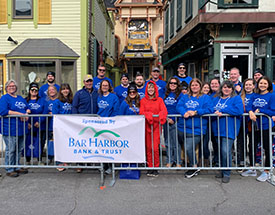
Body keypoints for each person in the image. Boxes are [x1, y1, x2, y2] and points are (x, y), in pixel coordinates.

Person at [176, 78, 213, 178]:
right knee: (185, 147)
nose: (194, 87)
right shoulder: (185, 97)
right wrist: (184, 112)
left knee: (188, 147)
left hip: (197, 128)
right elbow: (179, 106)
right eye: (192, 85)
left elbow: (209, 109)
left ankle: (194, 166)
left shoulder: (205, 97)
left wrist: (196, 112)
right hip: (182, 127)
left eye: (196, 85)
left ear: (200, 86)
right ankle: (185, 162)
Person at [212, 80, 244, 183]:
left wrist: (224, 111)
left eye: (229, 87)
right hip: (217, 129)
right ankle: (221, 169)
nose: (226, 89)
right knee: (221, 151)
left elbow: (239, 111)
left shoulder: (236, 98)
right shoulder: (216, 99)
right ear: (221, 88)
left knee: (226, 151)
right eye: (224, 87)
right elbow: (210, 109)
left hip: (229, 129)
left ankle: (227, 172)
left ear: (232, 89)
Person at [247, 76, 275, 182]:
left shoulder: (272, 96)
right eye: (260, 83)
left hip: (266, 125)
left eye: (265, 83)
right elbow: (249, 106)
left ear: (268, 85)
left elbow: (273, 111)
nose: (262, 85)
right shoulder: (255, 95)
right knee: (252, 146)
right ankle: (252, 167)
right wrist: (250, 112)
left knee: (267, 148)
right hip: (255, 125)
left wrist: (260, 110)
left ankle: (267, 171)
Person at [0, 80, 30, 177]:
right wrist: (19, 114)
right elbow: (3, 111)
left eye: (13, 86)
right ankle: (9, 168)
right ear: (6, 88)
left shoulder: (20, 98)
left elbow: (27, 107)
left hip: (21, 128)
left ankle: (17, 166)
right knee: (11, 149)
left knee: (18, 149)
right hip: (10, 128)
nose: (12, 87)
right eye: (10, 86)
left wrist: (26, 113)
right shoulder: (4, 98)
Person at [140, 81, 168, 177]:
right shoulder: (143, 100)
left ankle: (155, 166)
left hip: (156, 127)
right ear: (146, 89)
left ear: (155, 89)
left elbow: (163, 110)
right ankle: (149, 166)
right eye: (149, 88)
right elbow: (141, 111)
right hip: (147, 126)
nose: (151, 90)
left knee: (155, 148)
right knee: (148, 148)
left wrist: (160, 116)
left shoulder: (159, 100)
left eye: (152, 88)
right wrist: (149, 116)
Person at [97, 80, 120, 174]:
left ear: (109, 86)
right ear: (101, 87)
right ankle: (103, 165)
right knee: (100, 145)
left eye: (106, 85)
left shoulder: (113, 97)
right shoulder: (98, 96)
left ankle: (110, 166)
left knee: (109, 146)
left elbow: (116, 110)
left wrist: (110, 121)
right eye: (103, 85)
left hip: (109, 124)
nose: (105, 87)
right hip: (99, 124)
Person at [25, 82, 48, 164]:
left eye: (36, 90)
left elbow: (45, 112)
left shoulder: (42, 100)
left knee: (40, 143)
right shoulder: (25, 100)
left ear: (38, 91)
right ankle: (27, 160)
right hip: (28, 126)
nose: (34, 91)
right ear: (29, 90)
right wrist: (27, 123)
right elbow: (22, 111)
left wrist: (39, 121)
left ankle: (39, 160)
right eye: (32, 89)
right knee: (28, 142)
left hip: (39, 126)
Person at [52, 83, 73, 172]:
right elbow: (55, 114)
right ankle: (59, 162)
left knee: (67, 144)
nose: (65, 91)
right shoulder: (57, 101)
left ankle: (66, 161)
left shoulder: (71, 100)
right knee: (59, 144)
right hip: (60, 126)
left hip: (69, 126)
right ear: (60, 91)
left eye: (67, 89)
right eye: (63, 89)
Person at [238, 79, 257, 176]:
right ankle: (241, 162)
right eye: (246, 85)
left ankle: (252, 165)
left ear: (254, 86)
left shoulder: (256, 96)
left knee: (252, 144)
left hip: (251, 122)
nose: (248, 86)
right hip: (241, 122)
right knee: (241, 142)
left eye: (250, 85)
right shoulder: (240, 96)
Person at [163, 77, 182, 168]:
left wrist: (173, 119)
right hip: (166, 120)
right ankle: (169, 160)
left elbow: (180, 108)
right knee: (167, 142)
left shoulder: (180, 95)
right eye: (171, 83)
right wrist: (165, 117)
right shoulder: (165, 94)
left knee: (176, 142)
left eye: (175, 83)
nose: (173, 84)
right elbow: (162, 107)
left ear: (177, 85)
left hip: (176, 121)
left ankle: (178, 161)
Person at [45, 85, 58, 164]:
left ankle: (58, 159)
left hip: (58, 125)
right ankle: (50, 157)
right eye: (50, 90)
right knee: (50, 142)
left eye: (53, 89)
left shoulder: (59, 100)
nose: (52, 91)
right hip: (49, 125)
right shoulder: (46, 101)